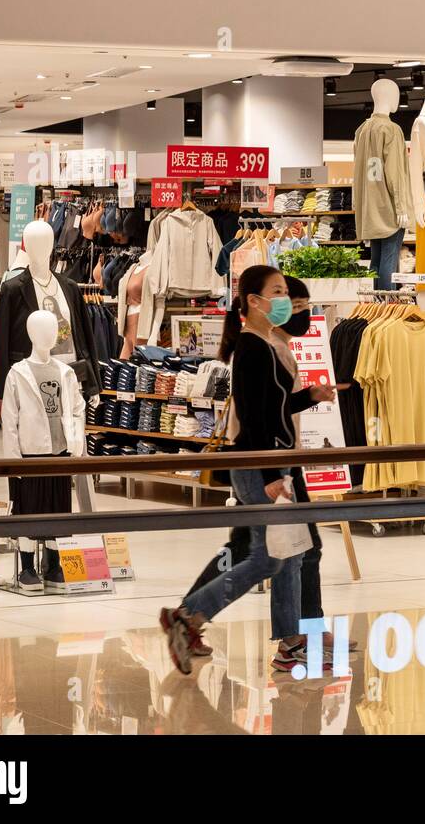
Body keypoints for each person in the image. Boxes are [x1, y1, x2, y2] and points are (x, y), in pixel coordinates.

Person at [160, 266, 337, 675]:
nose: (286, 302)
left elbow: (273, 408)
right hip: (261, 464)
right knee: (268, 559)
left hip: (270, 462)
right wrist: (272, 473)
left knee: (283, 554)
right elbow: (256, 418)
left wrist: (310, 396)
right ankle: (189, 618)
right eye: (277, 293)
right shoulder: (253, 348)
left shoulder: (263, 344)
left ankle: (288, 641)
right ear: (254, 302)